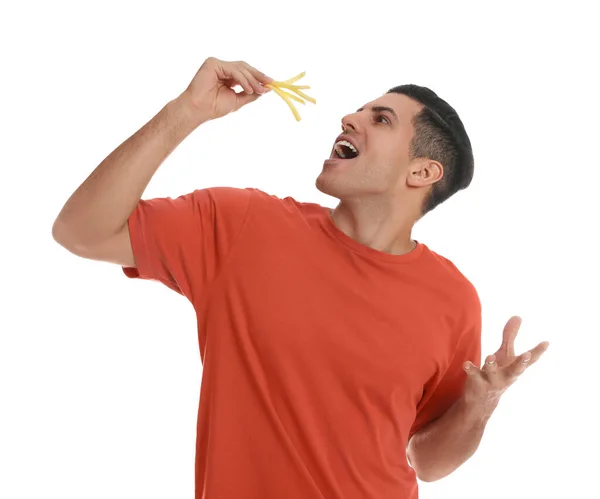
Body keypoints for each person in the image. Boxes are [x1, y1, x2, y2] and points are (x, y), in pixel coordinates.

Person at [52, 56, 549, 499]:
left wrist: (480, 406)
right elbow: (81, 231)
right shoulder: (241, 224)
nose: (350, 118)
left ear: (421, 173)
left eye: (381, 119)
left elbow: (429, 461)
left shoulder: (454, 300)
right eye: (360, 110)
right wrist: (188, 111)